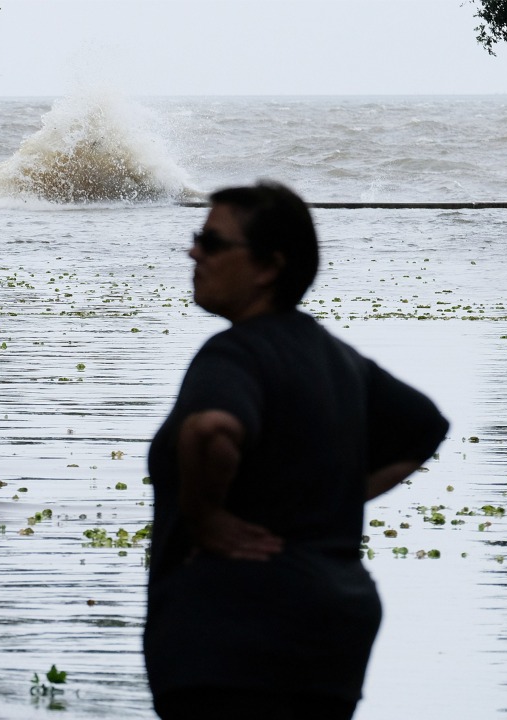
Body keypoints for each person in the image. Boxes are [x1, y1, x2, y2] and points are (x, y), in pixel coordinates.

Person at [144, 182, 449, 720]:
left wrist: (206, 518)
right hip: (332, 635)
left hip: (230, 634)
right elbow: (424, 427)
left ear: (267, 268)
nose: (194, 251)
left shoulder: (233, 353)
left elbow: (209, 431)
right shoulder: (339, 358)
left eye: (212, 243)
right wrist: (336, 500)